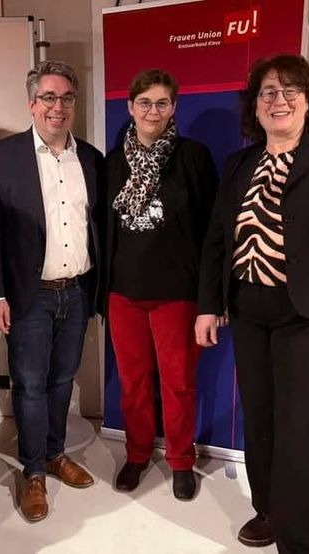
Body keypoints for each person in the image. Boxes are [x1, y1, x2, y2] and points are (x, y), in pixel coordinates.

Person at [195, 54, 309, 553]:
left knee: (298, 429)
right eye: (268, 92)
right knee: (260, 421)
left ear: (308, 100)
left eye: (290, 91)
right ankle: (269, 510)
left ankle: (301, 543)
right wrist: (208, 305)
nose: (278, 100)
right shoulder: (239, 164)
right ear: (255, 105)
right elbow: (217, 238)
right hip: (249, 310)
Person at [0, 60, 104, 522]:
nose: (58, 107)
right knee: (30, 385)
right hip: (28, 296)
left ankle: (54, 453)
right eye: (48, 97)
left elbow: (99, 228)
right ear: (32, 103)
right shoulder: (1, 156)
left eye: (67, 98)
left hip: (78, 291)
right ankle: (33, 471)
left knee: (62, 380)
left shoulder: (91, 159)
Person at [104, 69, 218, 500]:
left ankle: (181, 460)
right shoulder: (113, 163)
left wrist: (210, 298)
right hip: (124, 293)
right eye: (145, 102)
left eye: (162, 103)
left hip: (178, 294)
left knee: (178, 383)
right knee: (132, 382)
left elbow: (213, 232)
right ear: (130, 107)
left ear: (174, 108)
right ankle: (136, 453)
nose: (153, 111)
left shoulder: (193, 157)